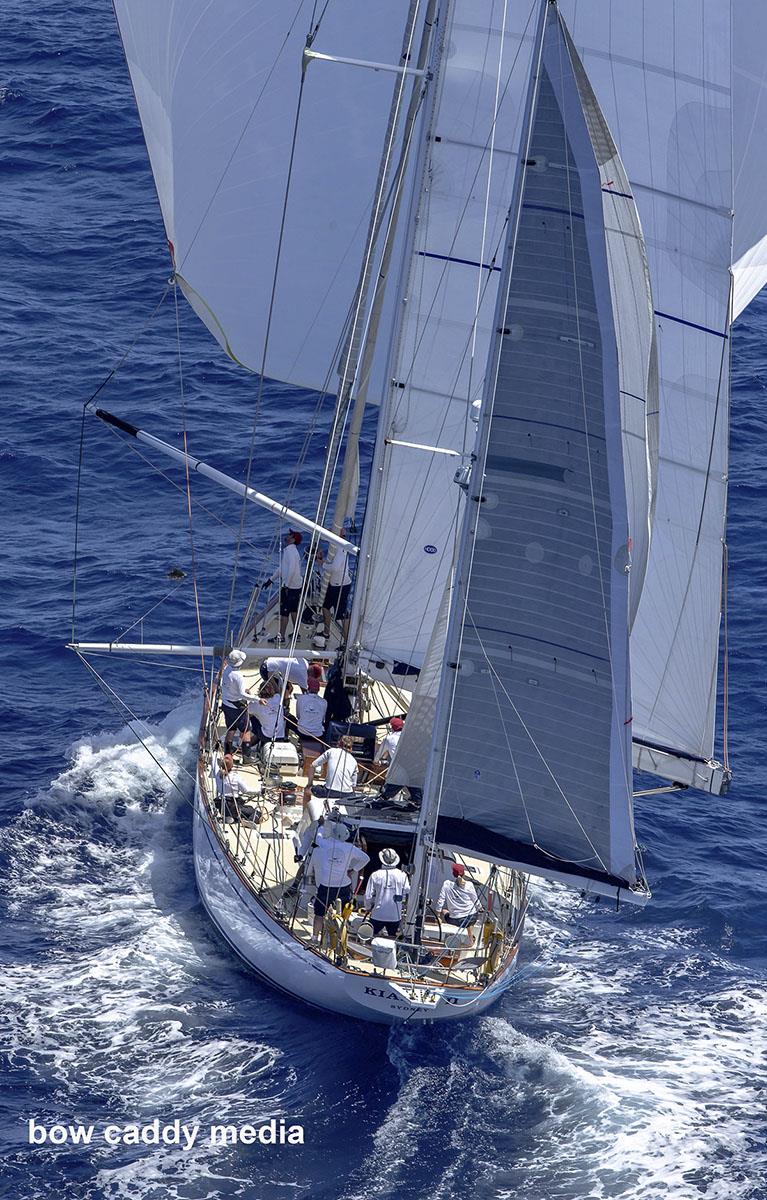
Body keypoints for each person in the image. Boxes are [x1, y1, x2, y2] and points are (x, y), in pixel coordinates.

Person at [307, 820, 369, 942]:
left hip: (326, 885)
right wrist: (353, 870)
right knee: (343, 915)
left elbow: (317, 836)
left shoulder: (325, 843)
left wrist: (320, 825)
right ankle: (341, 938)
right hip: (343, 885)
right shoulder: (350, 848)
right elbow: (365, 858)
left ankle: (314, 937)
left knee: (319, 914)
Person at [364, 848, 410, 937]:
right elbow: (407, 892)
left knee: (370, 938)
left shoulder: (375, 875)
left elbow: (368, 896)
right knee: (394, 940)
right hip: (395, 916)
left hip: (377, 915)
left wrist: (368, 908)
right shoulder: (403, 875)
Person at [305, 735, 358, 799]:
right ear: (351, 747)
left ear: (338, 743)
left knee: (306, 791)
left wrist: (309, 784)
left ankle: (305, 808)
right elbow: (354, 785)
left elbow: (313, 765)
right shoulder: (354, 761)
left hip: (329, 791)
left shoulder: (331, 751)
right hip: (347, 794)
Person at [221, 649, 252, 758]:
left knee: (231, 729)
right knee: (246, 731)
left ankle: (227, 754)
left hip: (226, 705)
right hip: (236, 707)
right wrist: (257, 699)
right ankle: (246, 757)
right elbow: (242, 695)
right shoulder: (238, 676)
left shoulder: (226, 670)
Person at [276, 530, 304, 642]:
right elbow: (283, 568)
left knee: (285, 612)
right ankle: (296, 634)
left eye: (290, 535)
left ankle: (281, 637)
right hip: (294, 586)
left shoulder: (290, 552)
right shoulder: (291, 551)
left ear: (293, 539)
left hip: (291, 587)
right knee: (293, 610)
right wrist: (271, 580)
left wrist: (286, 586)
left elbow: (291, 570)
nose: (287, 536)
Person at [436, 863, 480, 928]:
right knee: (467, 921)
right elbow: (475, 900)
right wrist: (480, 909)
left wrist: (438, 916)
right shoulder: (469, 884)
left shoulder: (447, 884)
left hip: (457, 920)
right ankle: (470, 936)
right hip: (472, 918)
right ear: (464, 874)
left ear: (453, 874)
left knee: (444, 911)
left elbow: (440, 901)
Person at [321, 549, 352, 641]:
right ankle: (326, 632)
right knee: (325, 607)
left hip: (340, 586)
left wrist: (322, 564)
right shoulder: (334, 547)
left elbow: (335, 568)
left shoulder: (340, 549)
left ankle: (347, 642)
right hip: (333, 584)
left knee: (342, 614)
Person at [215, 752, 250, 821]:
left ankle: (229, 817)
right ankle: (239, 820)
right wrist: (260, 791)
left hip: (222, 805)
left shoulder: (218, 775)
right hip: (233, 806)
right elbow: (245, 790)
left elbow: (214, 765)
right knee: (252, 811)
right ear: (232, 766)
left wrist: (215, 751)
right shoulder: (235, 777)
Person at [295, 676, 327, 748]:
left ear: (308, 687)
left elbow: (298, 716)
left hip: (302, 732)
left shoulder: (301, 698)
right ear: (318, 690)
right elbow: (322, 720)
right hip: (317, 734)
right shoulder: (324, 702)